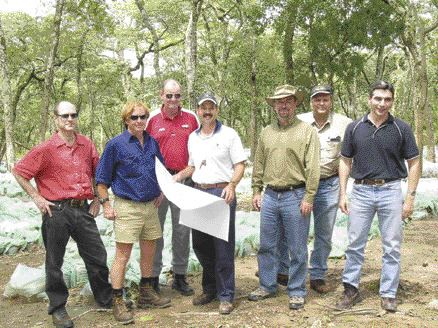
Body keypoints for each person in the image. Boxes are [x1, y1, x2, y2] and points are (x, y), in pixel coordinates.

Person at [12, 101, 112, 328]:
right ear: (56, 119)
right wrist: (37, 197)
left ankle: (105, 299)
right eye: (65, 115)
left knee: (97, 256)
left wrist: (97, 199)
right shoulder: (46, 149)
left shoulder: (86, 144)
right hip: (56, 211)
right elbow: (19, 171)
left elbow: (98, 173)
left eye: (73, 115)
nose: (69, 119)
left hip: (82, 208)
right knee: (54, 262)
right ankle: (58, 309)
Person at [336, 81, 421, 312]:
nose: (382, 104)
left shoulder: (401, 128)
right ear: (369, 100)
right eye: (378, 99)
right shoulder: (354, 128)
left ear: (392, 101)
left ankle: (388, 293)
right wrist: (343, 193)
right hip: (361, 191)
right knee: (355, 243)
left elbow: (414, 163)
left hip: (391, 190)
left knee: (392, 245)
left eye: (387, 99)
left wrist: (410, 198)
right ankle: (351, 288)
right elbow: (345, 160)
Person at [96, 102, 171, 324]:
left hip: (150, 206)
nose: (140, 121)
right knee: (123, 255)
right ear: (126, 120)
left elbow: (161, 170)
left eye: (143, 117)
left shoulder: (151, 142)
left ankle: (146, 291)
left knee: (149, 250)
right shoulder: (115, 145)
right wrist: (106, 206)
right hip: (127, 206)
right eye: (135, 117)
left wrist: (162, 191)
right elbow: (101, 180)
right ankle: (117, 299)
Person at [248, 85, 321, 310]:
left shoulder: (307, 131)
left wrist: (309, 196)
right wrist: (256, 190)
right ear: (274, 106)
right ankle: (267, 285)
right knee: (267, 245)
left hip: (295, 194)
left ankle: (297, 290)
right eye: (279, 102)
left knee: (297, 247)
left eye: (288, 101)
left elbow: (313, 167)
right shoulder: (266, 132)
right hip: (270, 195)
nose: (283, 106)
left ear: (295, 104)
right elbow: (259, 162)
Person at [174, 92, 246, 314]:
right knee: (202, 245)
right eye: (203, 108)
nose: (207, 111)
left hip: (220, 193)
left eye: (211, 107)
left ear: (217, 110)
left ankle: (226, 295)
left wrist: (232, 185)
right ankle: (210, 289)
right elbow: (193, 167)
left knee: (222, 247)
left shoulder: (229, 135)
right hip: (198, 192)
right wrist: (177, 177)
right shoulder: (193, 137)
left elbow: (240, 165)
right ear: (197, 110)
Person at [291, 85, 351, 293]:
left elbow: (348, 157)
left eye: (325, 99)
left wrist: (344, 190)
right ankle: (291, 271)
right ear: (311, 102)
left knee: (324, 233)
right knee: (297, 230)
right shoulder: (299, 121)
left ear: (331, 101)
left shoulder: (344, 124)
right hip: (302, 185)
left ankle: (317, 274)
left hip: (329, 183)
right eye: (317, 99)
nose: (321, 103)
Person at [146, 79, 199, 295]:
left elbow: (199, 147)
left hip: (184, 179)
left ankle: (179, 276)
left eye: (177, 96)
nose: (173, 100)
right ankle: (152, 278)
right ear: (161, 95)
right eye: (169, 95)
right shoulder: (151, 119)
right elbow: (144, 149)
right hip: (159, 182)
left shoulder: (191, 118)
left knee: (182, 230)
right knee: (155, 231)